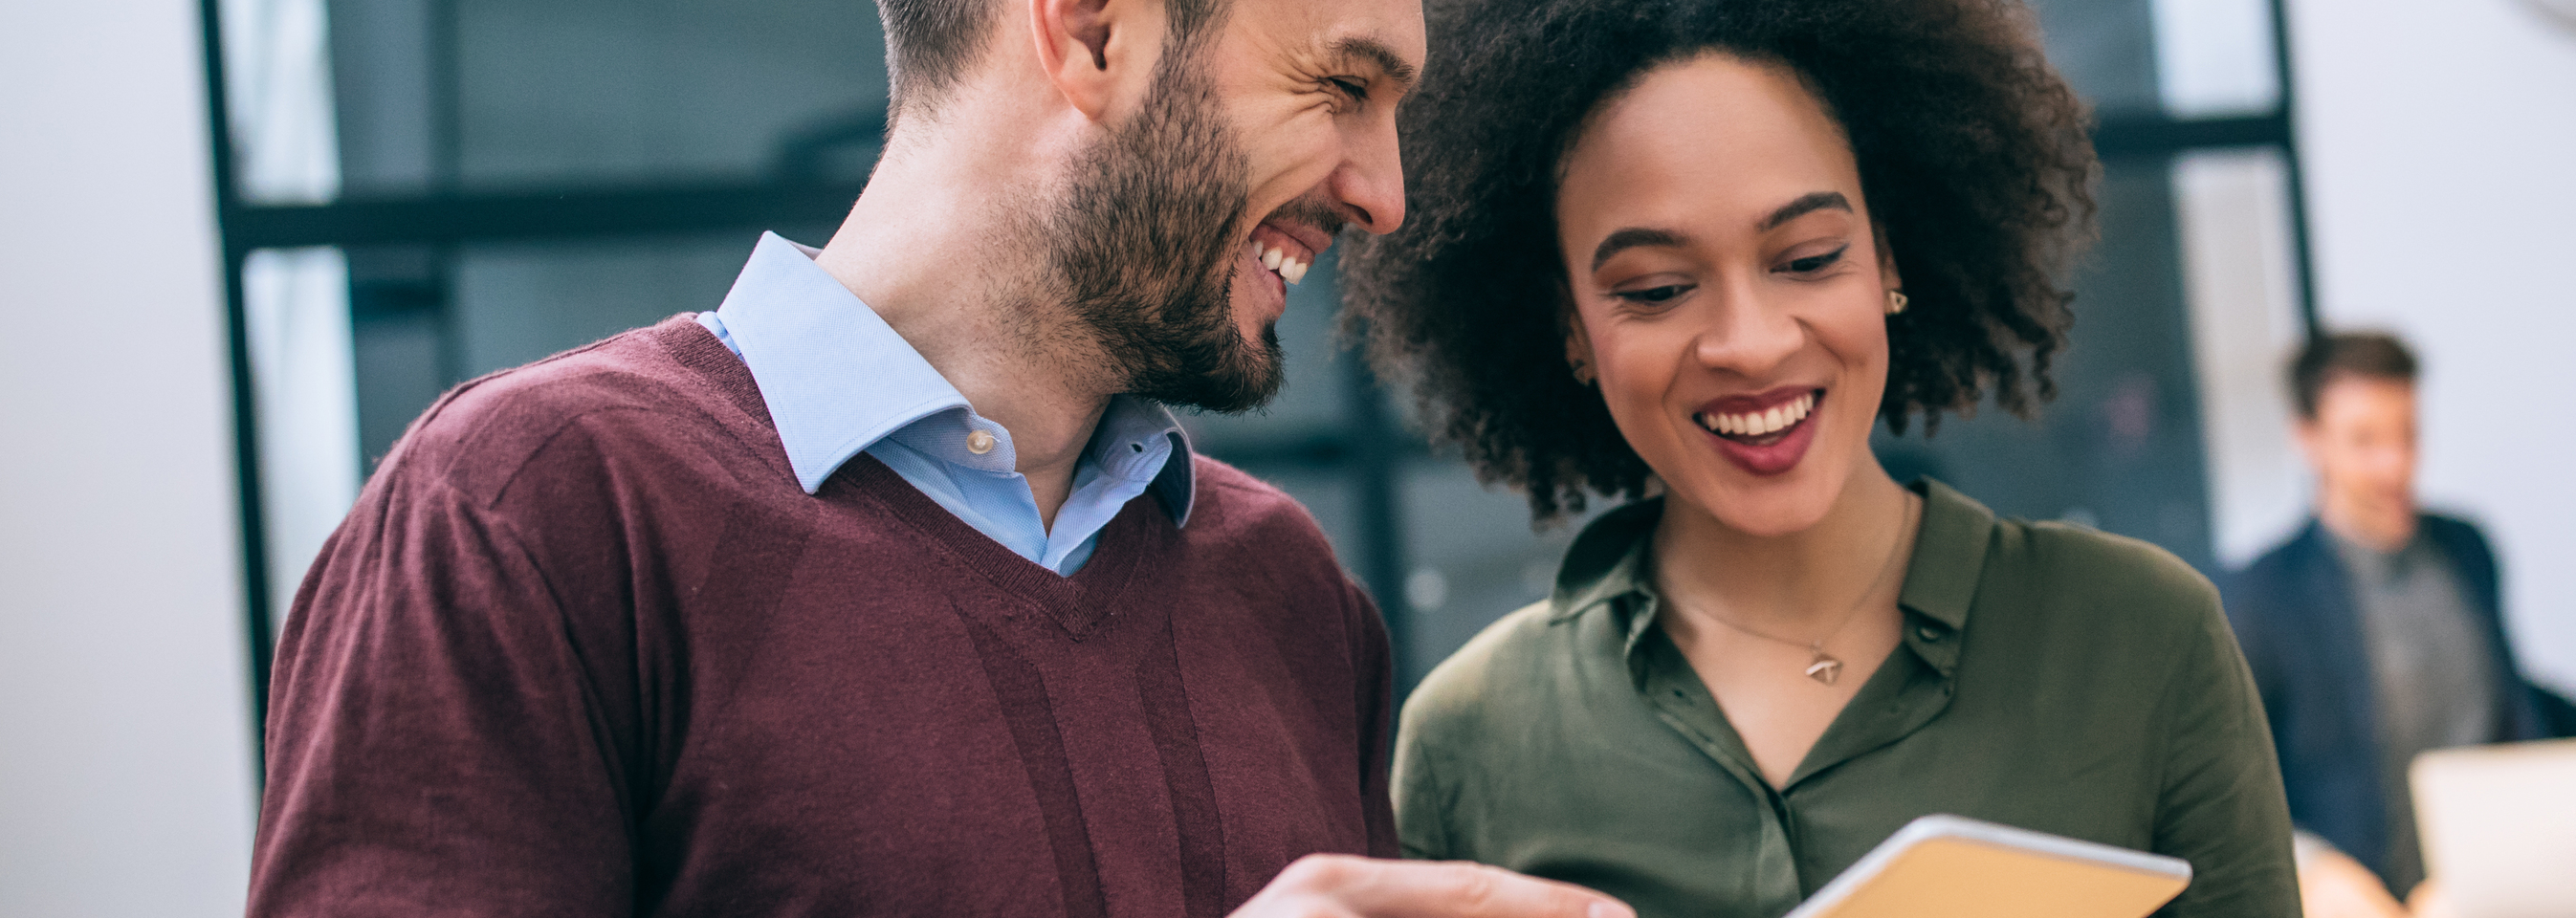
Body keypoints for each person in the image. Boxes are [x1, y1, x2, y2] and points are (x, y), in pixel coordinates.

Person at [245, 0, 1633, 914]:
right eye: (1341, 85)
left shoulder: (1290, 597)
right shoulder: (533, 513)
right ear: (1093, 31)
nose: (1385, 194)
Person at [1338, 1, 2301, 915]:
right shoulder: (1470, 739)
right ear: (1569, 327)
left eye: (1806, 260)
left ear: (1888, 257)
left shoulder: (2140, 640)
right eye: (1659, 288)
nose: (1749, 344)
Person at [2219, 331, 2576, 917]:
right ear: (2307, 440)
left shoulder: (2466, 549)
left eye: (2409, 434)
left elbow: (2509, 700)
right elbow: (2235, 783)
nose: (2396, 465)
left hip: (2495, 890)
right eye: (2365, 441)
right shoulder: (2264, 594)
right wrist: (2313, 870)